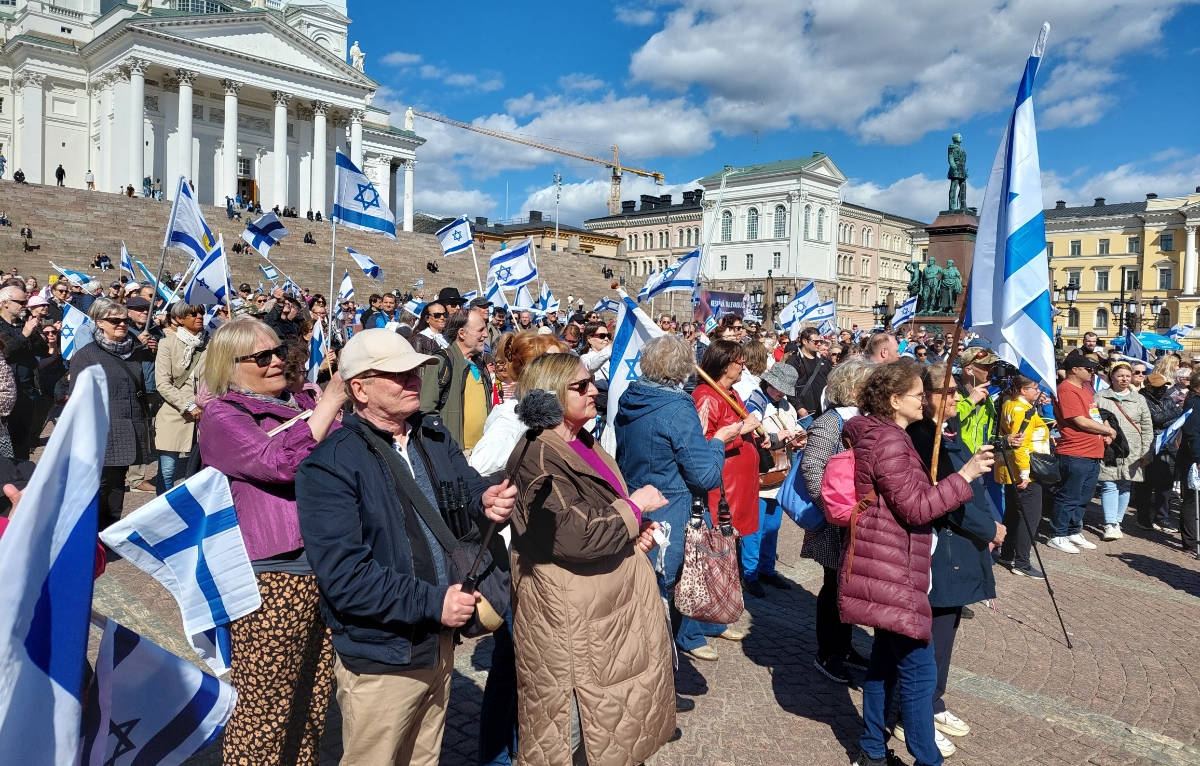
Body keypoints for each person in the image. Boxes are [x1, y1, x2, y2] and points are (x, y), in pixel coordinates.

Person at [293, 329, 515, 765]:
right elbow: (344, 578)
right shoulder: (330, 464)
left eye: (415, 370)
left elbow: (464, 486)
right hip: (383, 653)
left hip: (438, 642)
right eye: (397, 374)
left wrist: (482, 498)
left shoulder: (432, 435)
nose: (413, 379)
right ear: (359, 388)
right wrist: (434, 602)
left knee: (423, 759)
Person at [506, 353, 676, 766]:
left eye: (592, 383)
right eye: (580, 387)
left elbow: (598, 514)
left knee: (614, 723)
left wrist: (633, 536)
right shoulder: (539, 456)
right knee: (574, 731)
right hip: (570, 615)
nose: (593, 391)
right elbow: (576, 535)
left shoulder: (581, 440)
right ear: (548, 397)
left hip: (605, 606)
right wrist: (634, 509)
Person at [198, 318, 347, 765]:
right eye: (261, 357)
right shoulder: (224, 415)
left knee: (312, 699)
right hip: (271, 574)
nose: (278, 360)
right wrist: (331, 404)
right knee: (264, 707)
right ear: (231, 365)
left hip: (325, 561)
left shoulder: (303, 401)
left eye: (278, 350)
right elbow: (280, 463)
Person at [841, 359, 994, 766]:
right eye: (917, 395)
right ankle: (927, 757)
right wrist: (965, 475)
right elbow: (915, 508)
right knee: (920, 669)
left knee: (884, 663)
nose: (924, 400)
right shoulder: (890, 440)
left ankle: (872, 750)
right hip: (892, 563)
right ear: (895, 400)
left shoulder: (883, 433)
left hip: (885, 558)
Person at [616, 334, 745, 666]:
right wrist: (718, 440)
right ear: (683, 370)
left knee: (648, 595)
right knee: (662, 598)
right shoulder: (676, 407)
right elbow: (704, 476)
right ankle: (660, 679)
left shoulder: (632, 395)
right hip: (671, 512)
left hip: (639, 502)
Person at [904, 363, 1004, 759]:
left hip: (959, 547)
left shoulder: (944, 429)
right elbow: (947, 495)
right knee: (931, 636)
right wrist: (989, 528)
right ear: (926, 396)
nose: (956, 398)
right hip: (943, 546)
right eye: (947, 392)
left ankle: (934, 701)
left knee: (946, 630)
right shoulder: (921, 436)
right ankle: (915, 712)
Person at [800, 358, 875, 683]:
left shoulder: (867, 420)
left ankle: (844, 646)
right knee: (833, 586)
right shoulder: (829, 423)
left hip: (859, 519)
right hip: (836, 523)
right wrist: (835, 508)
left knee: (848, 587)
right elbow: (811, 470)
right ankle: (828, 653)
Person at [69, 298, 153, 529]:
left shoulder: (134, 351)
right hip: (100, 432)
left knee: (117, 485)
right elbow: (76, 399)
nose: (122, 324)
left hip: (129, 427)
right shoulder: (87, 355)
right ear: (100, 323)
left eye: (125, 320)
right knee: (99, 486)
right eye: (114, 320)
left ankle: (107, 534)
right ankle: (88, 536)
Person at [736, 352, 806, 598]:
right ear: (770, 382)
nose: (782, 393)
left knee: (773, 525)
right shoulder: (755, 401)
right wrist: (778, 438)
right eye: (779, 389)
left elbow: (793, 425)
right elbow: (749, 435)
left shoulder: (785, 404)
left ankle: (766, 569)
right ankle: (750, 573)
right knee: (754, 527)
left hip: (779, 474)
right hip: (761, 473)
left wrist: (798, 437)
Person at [694, 339, 762, 562]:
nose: (744, 366)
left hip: (738, 489)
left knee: (733, 552)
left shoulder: (730, 393)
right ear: (725, 365)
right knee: (719, 555)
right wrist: (743, 431)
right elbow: (702, 445)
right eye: (740, 362)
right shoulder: (706, 396)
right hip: (723, 491)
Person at [1049, 353, 1117, 554]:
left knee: (1083, 495)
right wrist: (1107, 430)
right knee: (1069, 494)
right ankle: (1058, 534)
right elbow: (1078, 420)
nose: (1092, 371)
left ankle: (1073, 530)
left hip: (1092, 451)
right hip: (1075, 451)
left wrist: (1106, 430)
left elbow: (1094, 415)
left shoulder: (1084, 389)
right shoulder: (1067, 389)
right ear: (1074, 370)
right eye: (1088, 369)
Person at [995, 375, 1052, 578]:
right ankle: (1022, 562)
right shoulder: (1020, 409)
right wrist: (1025, 473)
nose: (1038, 391)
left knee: (1012, 513)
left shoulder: (1011, 405)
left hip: (1012, 469)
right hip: (1025, 470)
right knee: (1030, 517)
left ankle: (1007, 554)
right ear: (1022, 390)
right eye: (1034, 388)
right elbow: (1021, 444)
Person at [1095, 361, 1153, 541]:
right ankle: (1110, 523)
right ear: (1111, 376)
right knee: (1109, 483)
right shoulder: (1100, 397)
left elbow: (1147, 426)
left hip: (1133, 450)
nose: (1124, 379)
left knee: (1125, 485)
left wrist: (1146, 450)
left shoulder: (1139, 399)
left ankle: (1117, 521)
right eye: (1120, 376)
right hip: (1109, 448)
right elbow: (1093, 419)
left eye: (1127, 376)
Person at [153, 302, 208, 492]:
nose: (199, 316)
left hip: (204, 416)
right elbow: (162, 383)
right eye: (193, 314)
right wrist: (188, 405)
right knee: (168, 471)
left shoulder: (211, 344)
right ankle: (163, 512)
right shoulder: (167, 344)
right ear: (179, 319)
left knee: (198, 472)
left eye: (201, 312)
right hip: (174, 413)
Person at [420, 309, 492, 451]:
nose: (485, 334)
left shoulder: (480, 363)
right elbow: (426, 410)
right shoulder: (441, 362)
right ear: (461, 333)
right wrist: (446, 450)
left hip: (483, 454)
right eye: (480, 330)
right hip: (457, 455)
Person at [0, 285, 47, 460]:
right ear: (5, 303)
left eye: (25, 302)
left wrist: (34, 332)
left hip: (27, 390)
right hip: (5, 393)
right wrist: (25, 333)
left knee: (22, 440)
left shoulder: (22, 323)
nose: (25, 305)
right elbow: (5, 352)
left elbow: (42, 351)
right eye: (20, 302)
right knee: (5, 440)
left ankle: (21, 477)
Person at [1137, 372, 1182, 532]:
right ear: (1149, 387)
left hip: (1168, 445)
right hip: (1150, 446)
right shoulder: (1141, 398)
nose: (1162, 390)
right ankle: (1144, 517)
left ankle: (1162, 517)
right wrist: (1169, 417)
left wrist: (1166, 417)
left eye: (1163, 386)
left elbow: (1178, 416)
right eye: (1158, 387)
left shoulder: (1166, 398)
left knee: (1166, 484)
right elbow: (1154, 419)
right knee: (1147, 483)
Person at [1174, 369, 1200, 559]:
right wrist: (1198, 458)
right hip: (1193, 458)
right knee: (1192, 498)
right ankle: (1190, 542)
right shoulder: (1193, 402)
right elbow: (1192, 434)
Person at [785, 327, 831, 419]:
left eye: (820, 341)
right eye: (815, 342)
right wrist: (799, 407)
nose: (819, 344)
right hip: (805, 412)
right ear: (805, 341)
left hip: (823, 409)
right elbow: (788, 385)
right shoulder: (794, 361)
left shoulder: (824, 360)